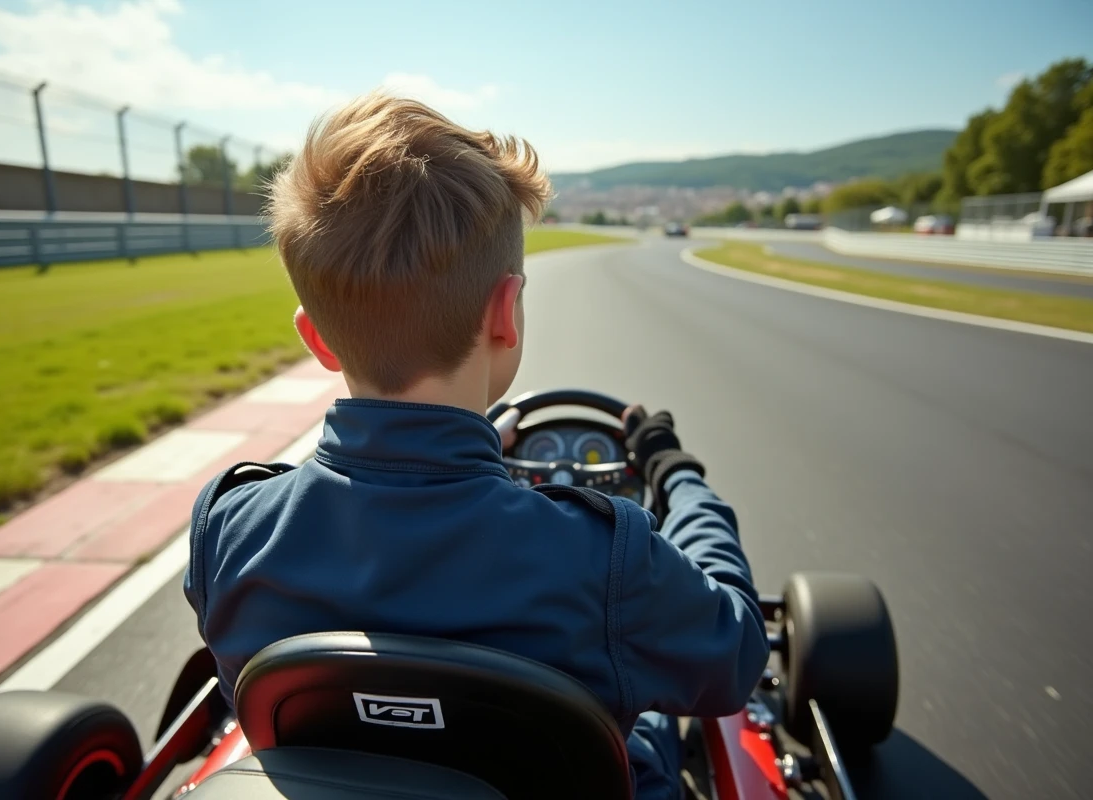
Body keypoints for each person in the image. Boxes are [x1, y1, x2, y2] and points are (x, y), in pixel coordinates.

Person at [183, 92, 770, 799]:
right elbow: (735, 657)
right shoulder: (605, 559)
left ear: (316, 339)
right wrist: (679, 477)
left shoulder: (228, 528)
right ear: (505, 312)